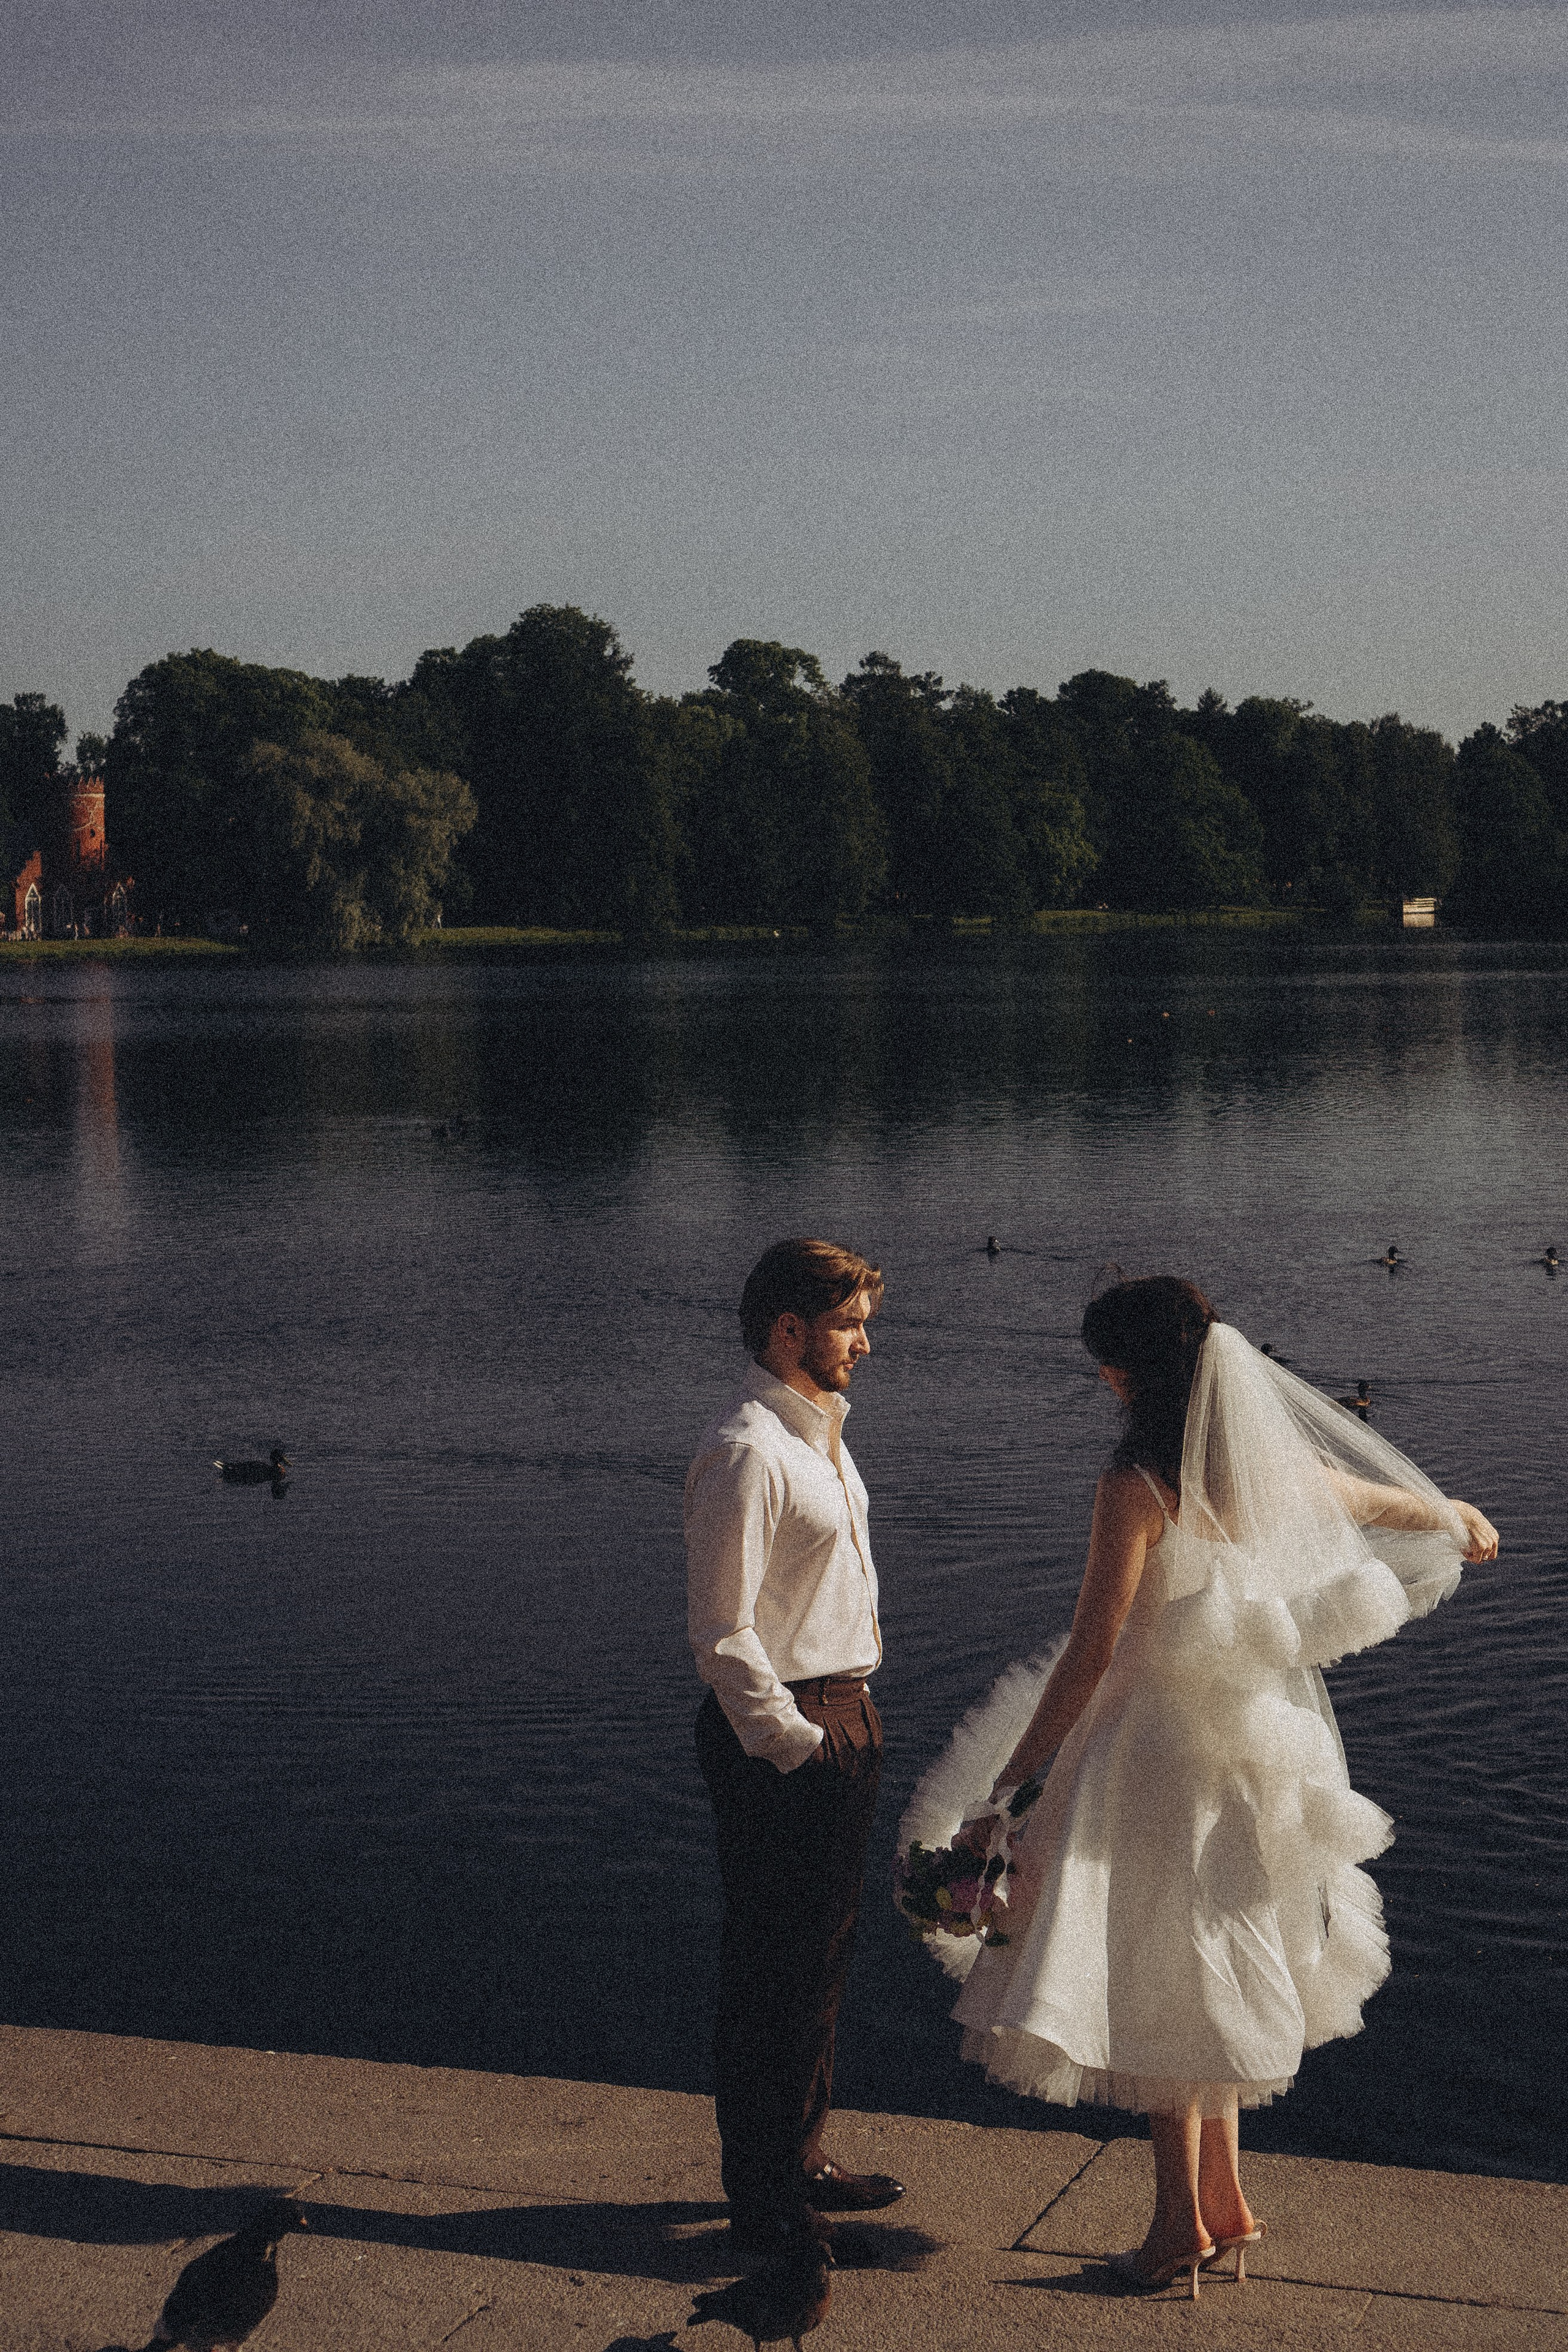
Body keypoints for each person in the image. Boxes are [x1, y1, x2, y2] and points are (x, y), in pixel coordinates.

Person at [905, 1276, 1497, 2299]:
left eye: (1107, 1363)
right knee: (1219, 1953)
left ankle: (1175, 2229)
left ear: (1133, 1375)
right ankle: (1225, 2207)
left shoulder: (1137, 1487)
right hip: (1259, 1757)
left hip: (1149, 1757)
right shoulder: (1278, 1471)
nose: (1101, 1378)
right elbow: (1397, 1506)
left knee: (1160, 1975)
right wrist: (1459, 1514)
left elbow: (1091, 1652)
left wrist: (1008, 1785)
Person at [686, 1237, 905, 2260]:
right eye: (849, 1322)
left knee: (821, 1958)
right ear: (788, 1330)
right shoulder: (747, 1451)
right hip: (788, 1729)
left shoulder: (819, 1435)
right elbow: (723, 1634)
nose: (867, 1339)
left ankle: (799, 2154)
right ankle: (762, 2195)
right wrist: (796, 1745)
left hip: (843, 1711)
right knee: (772, 1966)